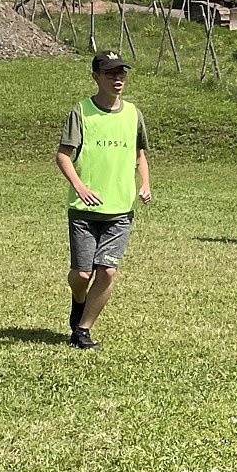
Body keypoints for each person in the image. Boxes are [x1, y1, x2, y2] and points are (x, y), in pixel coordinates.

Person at [57, 50, 151, 350]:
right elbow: (63, 156)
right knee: (82, 274)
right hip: (84, 211)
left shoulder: (133, 114)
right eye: (110, 73)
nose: (117, 78)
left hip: (120, 209)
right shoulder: (81, 112)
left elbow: (139, 155)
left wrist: (145, 183)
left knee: (108, 271)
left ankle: (82, 330)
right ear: (95, 77)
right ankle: (79, 299)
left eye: (121, 72)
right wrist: (79, 186)